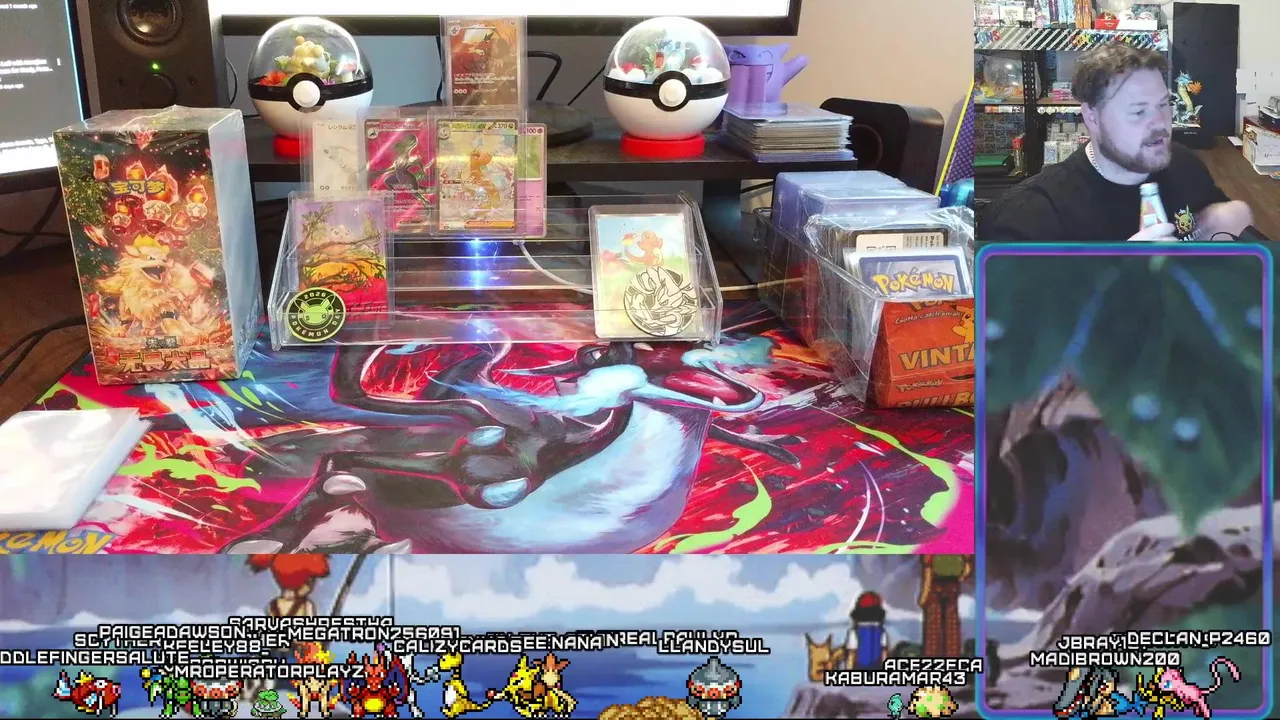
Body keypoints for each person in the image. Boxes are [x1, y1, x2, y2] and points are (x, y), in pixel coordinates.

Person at [979, 43, 1253, 242]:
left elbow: (1220, 226)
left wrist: (1223, 228)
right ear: (1092, 116)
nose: (1160, 123)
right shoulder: (1030, 219)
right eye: (1138, 111)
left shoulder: (1184, 164)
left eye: (1163, 105)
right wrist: (1120, 273)